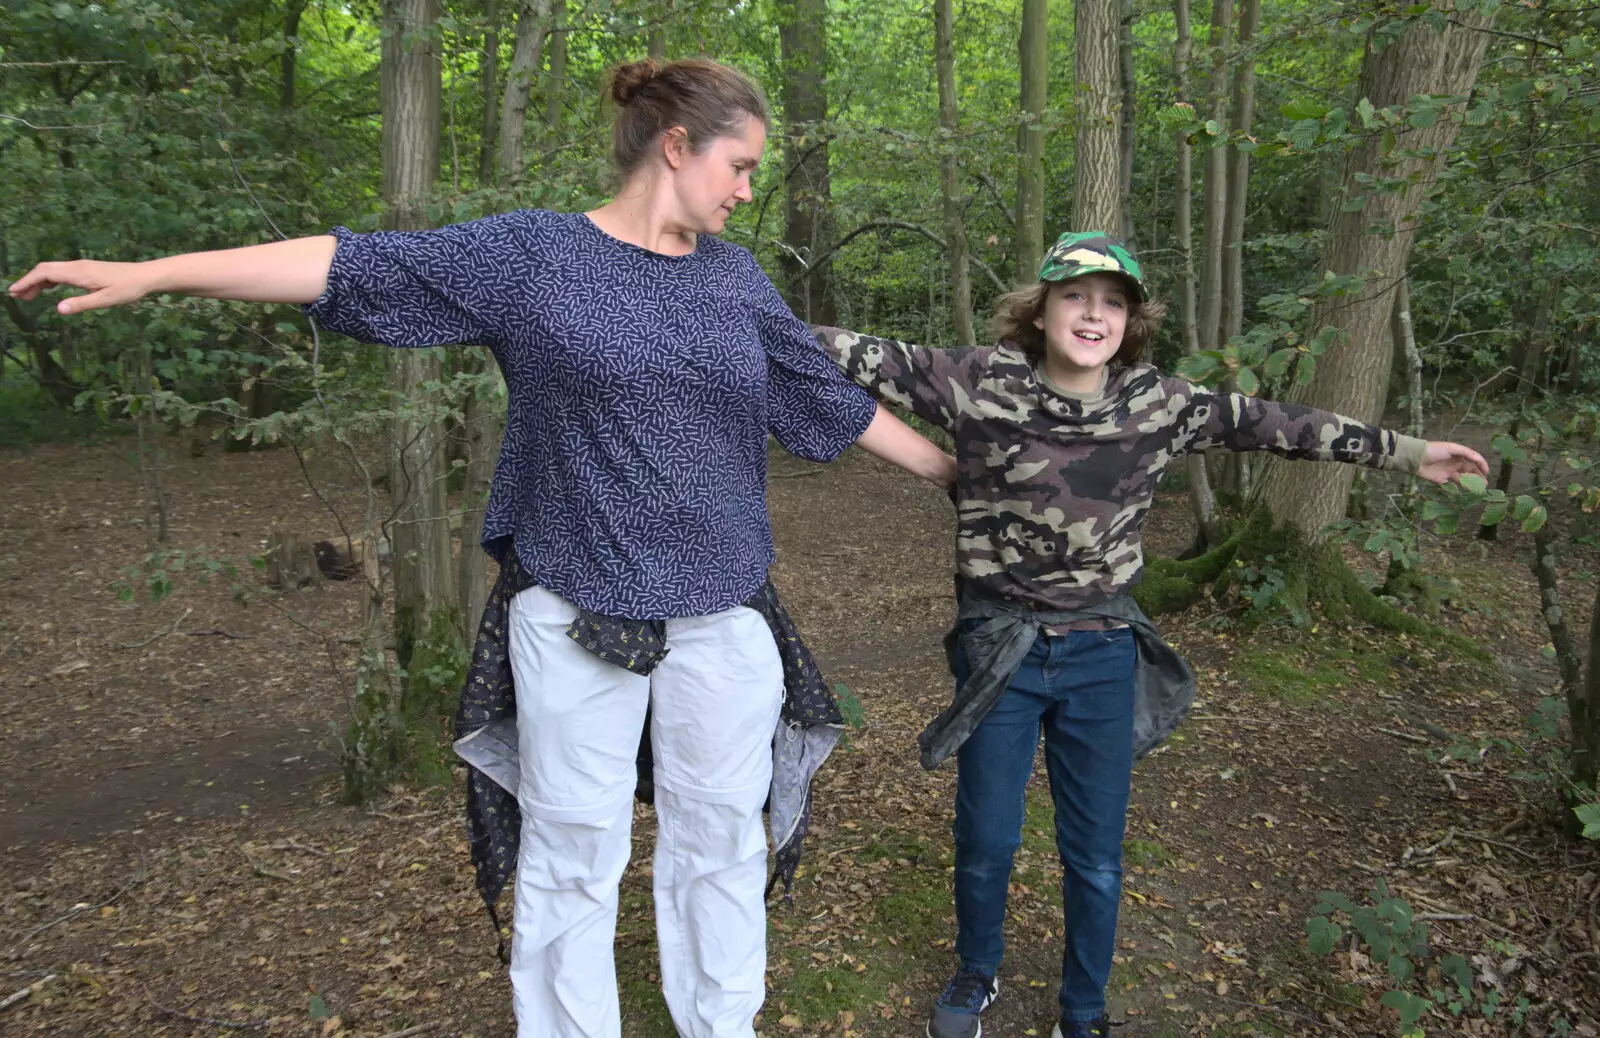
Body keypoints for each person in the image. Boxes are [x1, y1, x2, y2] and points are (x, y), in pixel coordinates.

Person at [9, 58, 955, 1038]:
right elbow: (350, 267)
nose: (750, 190)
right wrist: (155, 275)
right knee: (573, 853)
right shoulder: (535, 258)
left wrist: (952, 476)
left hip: (722, 616)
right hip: (576, 612)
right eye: (741, 165)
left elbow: (821, 396)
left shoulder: (735, 279)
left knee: (718, 843)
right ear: (676, 147)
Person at [812, 231, 1488, 1038]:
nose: (1093, 314)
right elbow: (836, 350)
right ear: (1042, 308)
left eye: (1113, 302)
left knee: (1093, 856)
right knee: (986, 837)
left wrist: (1411, 453)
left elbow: (1282, 425)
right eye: (1076, 296)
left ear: (1130, 321)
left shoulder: (1160, 403)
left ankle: (1084, 1010)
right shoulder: (977, 381)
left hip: (1101, 650)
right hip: (1001, 649)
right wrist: (707, 291)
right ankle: (976, 971)